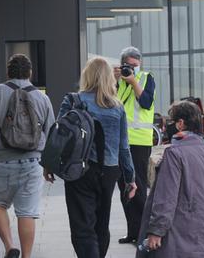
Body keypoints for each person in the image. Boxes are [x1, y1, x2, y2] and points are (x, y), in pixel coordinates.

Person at [0, 54, 55, 258]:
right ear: (30, 72)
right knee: (27, 212)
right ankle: (26, 256)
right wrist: (48, 165)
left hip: (0, 162)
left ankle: (9, 246)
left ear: (7, 72)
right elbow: (51, 132)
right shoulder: (42, 98)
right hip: (32, 162)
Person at [53, 57, 137, 258]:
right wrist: (130, 178)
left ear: (87, 76)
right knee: (101, 223)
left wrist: (50, 166)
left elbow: (58, 137)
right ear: (109, 78)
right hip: (109, 170)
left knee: (82, 225)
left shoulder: (74, 100)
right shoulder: (117, 107)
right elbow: (123, 147)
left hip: (79, 169)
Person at [137, 100, 204, 257]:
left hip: (182, 239)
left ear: (180, 124)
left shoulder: (175, 154)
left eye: (171, 122)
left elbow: (166, 198)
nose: (168, 126)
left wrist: (156, 231)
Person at [113, 46, 155, 245]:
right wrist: (114, 80)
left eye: (135, 66)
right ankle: (132, 231)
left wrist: (133, 82)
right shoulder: (118, 81)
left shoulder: (147, 78)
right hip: (120, 141)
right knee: (123, 187)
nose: (131, 70)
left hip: (139, 141)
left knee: (137, 187)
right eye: (128, 66)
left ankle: (145, 232)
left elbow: (146, 102)